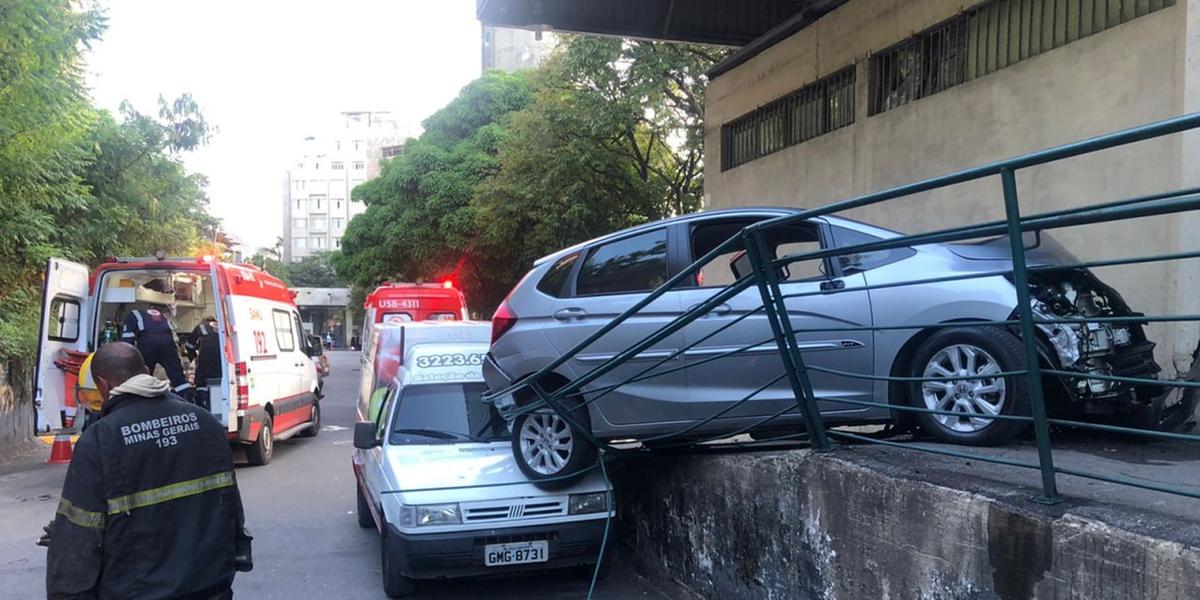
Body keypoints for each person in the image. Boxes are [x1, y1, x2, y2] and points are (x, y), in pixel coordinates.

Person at [45, 342, 252, 599]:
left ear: (103, 385)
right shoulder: (205, 422)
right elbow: (229, 509)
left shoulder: (100, 440)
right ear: (145, 370)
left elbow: (79, 533)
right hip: (211, 588)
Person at [121, 279, 192, 401]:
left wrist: (128, 359)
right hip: (167, 342)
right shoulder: (160, 316)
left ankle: (142, 402)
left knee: (143, 375)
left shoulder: (132, 315)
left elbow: (127, 341)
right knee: (177, 376)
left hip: (148, 343)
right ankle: (189, 399)